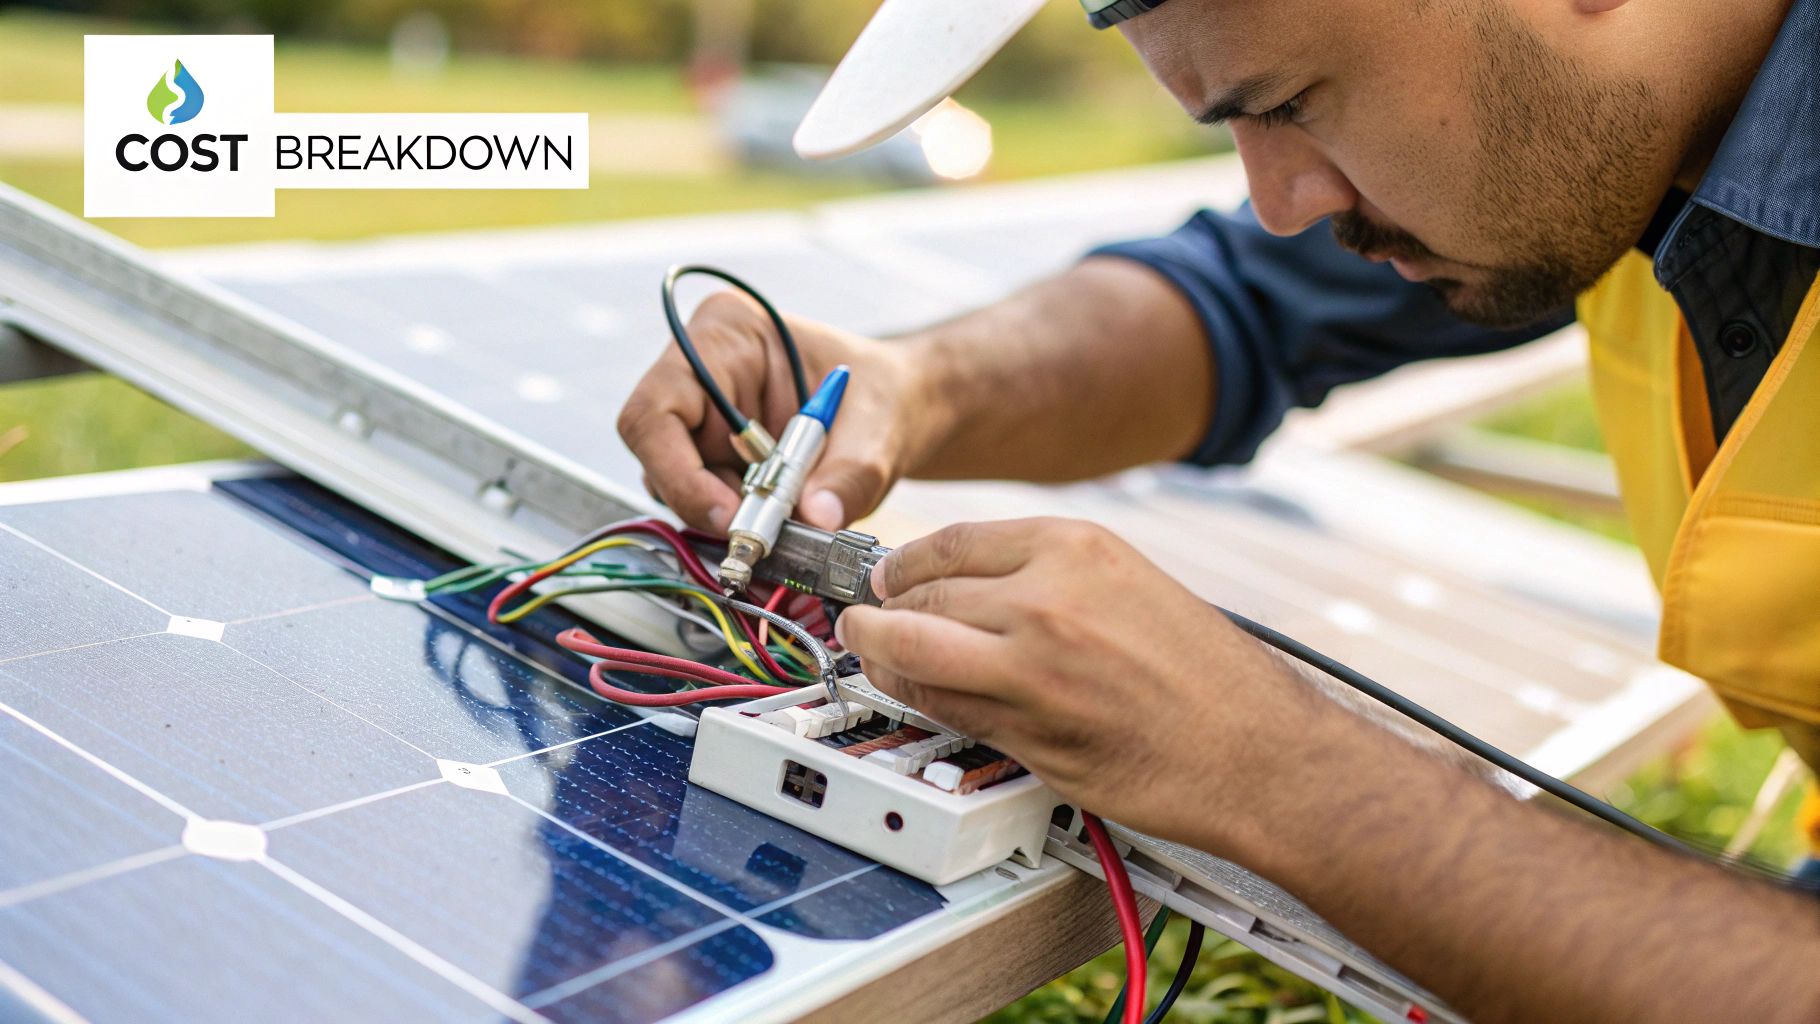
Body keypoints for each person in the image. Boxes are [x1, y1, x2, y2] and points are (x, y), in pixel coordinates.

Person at [617, 0, 1820, 1019]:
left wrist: (1273, 769)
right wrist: (918, 383)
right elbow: (1240, 300)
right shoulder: (1579, 126)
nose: (1278, 198)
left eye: (1289, 102)